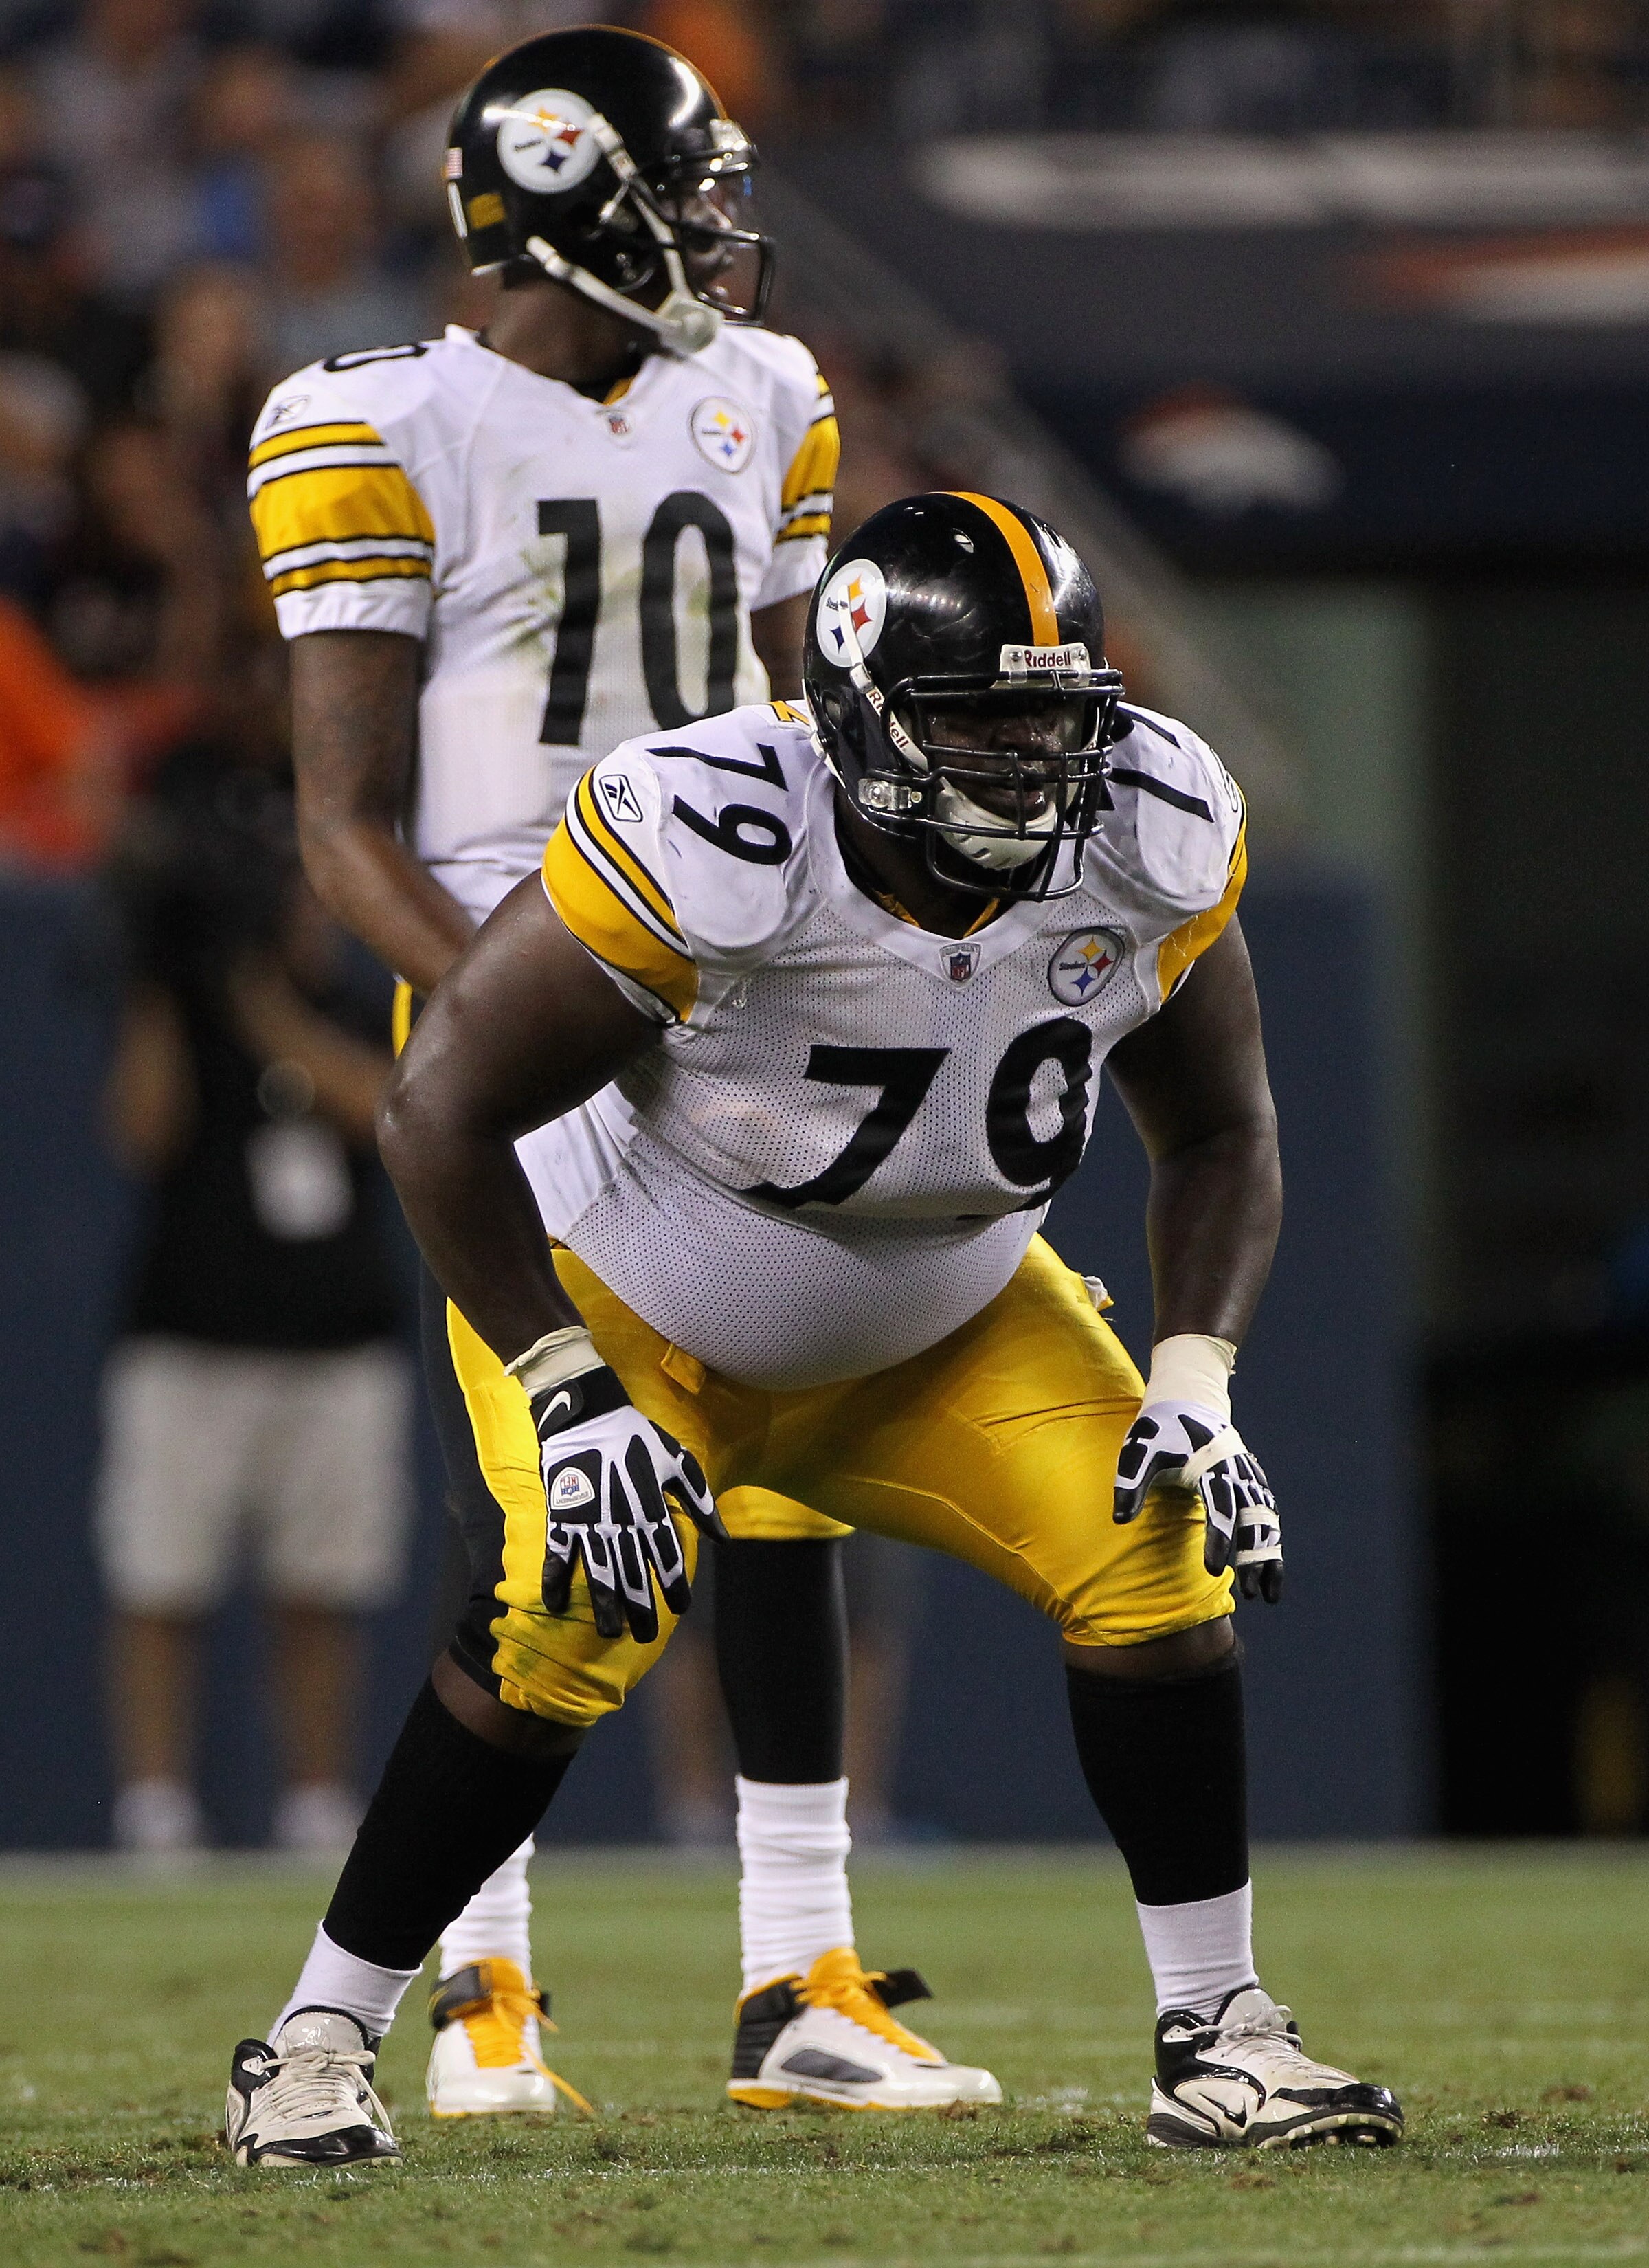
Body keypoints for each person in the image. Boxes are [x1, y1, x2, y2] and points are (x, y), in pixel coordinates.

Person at [223, 487, 1406, 2163]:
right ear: (858, 716)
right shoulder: (719, 832)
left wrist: (1199, 1368)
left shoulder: (1148, 825)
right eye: (983, 720)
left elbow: (1222, 1133)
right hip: (643, 1299)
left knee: (1157, 1544)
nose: (1032, 762)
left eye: (1055, 718)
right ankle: (316, 2040)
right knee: (564, 1607)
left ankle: (1220, 2034)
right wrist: (567, 1387)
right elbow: (436, 1113)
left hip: (950, 1310)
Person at [242, 27, 993, 2123]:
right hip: (517, 976)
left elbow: (808, 723)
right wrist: (521, 1004)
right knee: (552, 1484)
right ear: (572, 205)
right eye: (688, 194)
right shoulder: (375, 420)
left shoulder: (765, 397)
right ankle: (485, 1990)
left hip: (739, 982)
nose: (722, 235)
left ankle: (800, 1972)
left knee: (778, 1438)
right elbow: (339, 824)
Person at [96, 743, 412, 1854]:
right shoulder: (176, 1003)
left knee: (323, 1584)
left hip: (334, 1338)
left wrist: (265, 1006)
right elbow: (141, 1133)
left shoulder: (353, 1005)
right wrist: (165, 982)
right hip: (189, 1334)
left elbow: (388, 1113)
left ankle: (318, 1798)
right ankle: (156, 1806)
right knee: (159, 1578)